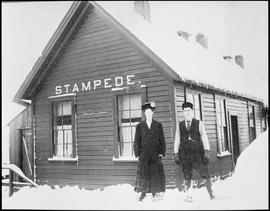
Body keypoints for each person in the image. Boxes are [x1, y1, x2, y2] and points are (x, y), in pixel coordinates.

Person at [173, 102, 215, 201]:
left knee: (205, 173)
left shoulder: (199, 123)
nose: (187, 112)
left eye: (189, 110)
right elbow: (177, 140)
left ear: (192, 111)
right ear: (182, 112)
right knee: (187, 175)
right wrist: (176, 153)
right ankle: (188, 195)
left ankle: (211, 194)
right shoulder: (180, 125)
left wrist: (206, 151)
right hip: (185, 155)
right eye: (185, 110)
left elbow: (204, 137)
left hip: (197, 155)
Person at [133, 101, 166, 201]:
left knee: (155, 173)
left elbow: (162, 140)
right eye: (146, 112)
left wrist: (161, 152)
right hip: (144, 155)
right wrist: (137, 154)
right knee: (144, 173)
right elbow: (136, 141)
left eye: (150, 112)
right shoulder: (140, 126)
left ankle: (155, 192)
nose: (148, 114)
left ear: (153, 112)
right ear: (144, 113)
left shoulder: (158, 125)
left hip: (155, 155)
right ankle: (143, 192)